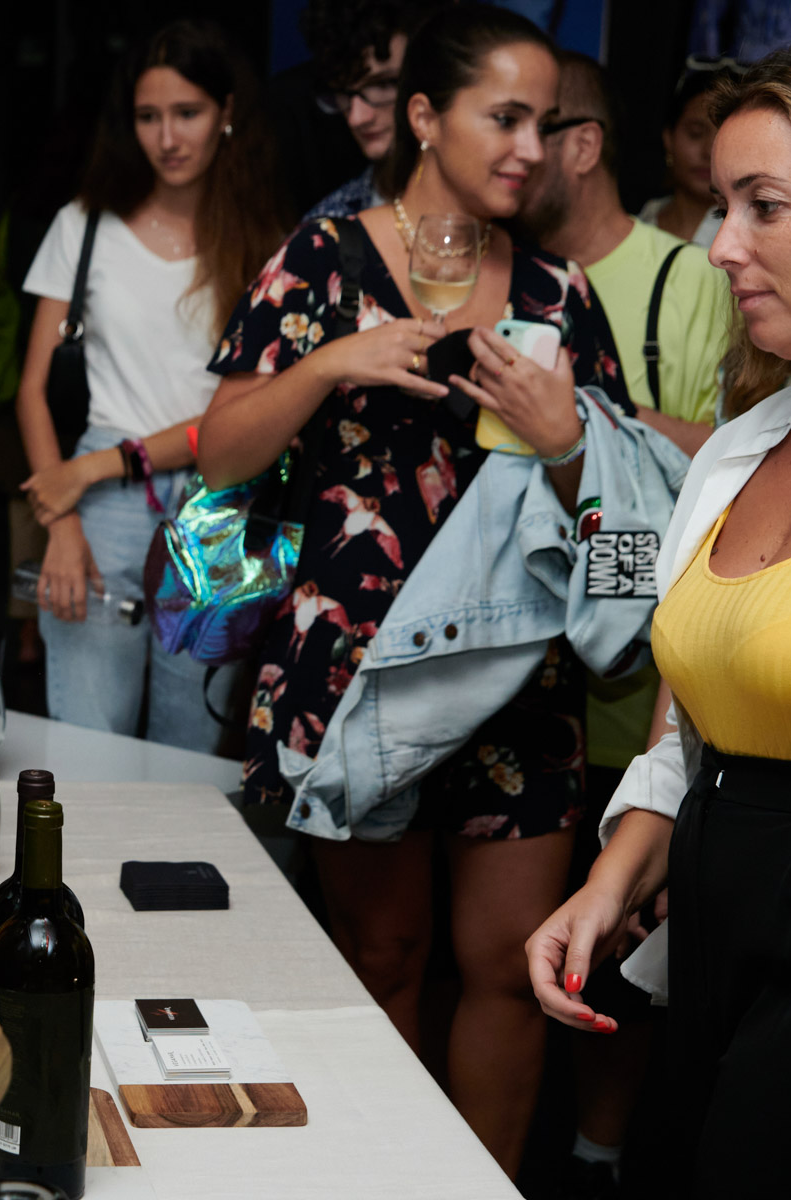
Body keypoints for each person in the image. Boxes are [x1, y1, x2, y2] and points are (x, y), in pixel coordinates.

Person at [199, 6, 629, 1176]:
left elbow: (624, 519)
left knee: (510, 969)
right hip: (358, 672)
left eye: (545, 123)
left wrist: (569, 441)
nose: (531, 148)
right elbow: (220, 456)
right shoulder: (321, 260)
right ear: (427, 117)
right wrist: (332, 363)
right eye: (506, 118)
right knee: (381, 959)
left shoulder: (558, 292)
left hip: (517, 680)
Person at [525, 48, 791, 1196]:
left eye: (764, 207)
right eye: (723, 205)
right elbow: (688, 731)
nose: (721, 245)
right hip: (714, 926)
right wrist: (610, 885)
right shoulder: (736, 451)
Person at [14, 19, 287, 749]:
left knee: (189, 751)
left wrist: (96, 470)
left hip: (220, 496)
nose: (167, 137)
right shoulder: (84, 225)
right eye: (147, 116)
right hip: (98, 503)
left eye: (187, 113)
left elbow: (257, 414)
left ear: (227, 112)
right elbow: (32, 389)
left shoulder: (266, 245)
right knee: (88, 743)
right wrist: (61, 525)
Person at [297, 0, 442, 222]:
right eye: (342, 93)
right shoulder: (329, 226)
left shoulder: (493, 204)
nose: (356, 118)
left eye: (382, 85)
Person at [639, 61, 743, 247]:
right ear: (668, 139)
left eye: (724, 138)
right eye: (696, 133)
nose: (709, 152)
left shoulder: (752, 239)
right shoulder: (641, 222)